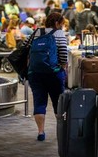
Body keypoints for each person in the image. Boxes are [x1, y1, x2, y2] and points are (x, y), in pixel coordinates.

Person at [26, 12, 68, 141]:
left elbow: (25, 48)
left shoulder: (36, 32)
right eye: (61, 24)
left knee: (39, 101)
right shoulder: (59, 33)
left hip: (35, 73)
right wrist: (63, 68)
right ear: (57, 23)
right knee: (58, 102)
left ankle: (40, 132)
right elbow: (63, 54)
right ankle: (61, 133)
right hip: (53, 73)